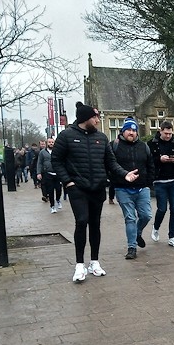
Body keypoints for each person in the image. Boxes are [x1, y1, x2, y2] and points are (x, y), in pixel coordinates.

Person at [51, 101, 139, 283]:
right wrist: (68, 182)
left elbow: (111, 162)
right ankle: (79, 265)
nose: (98, 120)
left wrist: (125, 175)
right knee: (81, 221)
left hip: (97, 188)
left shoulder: (101, 138)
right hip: (77, 189)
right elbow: (56, 161)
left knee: (95, 224)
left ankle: (94, 262)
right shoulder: (66, 136)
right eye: (95, 117)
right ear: (85, 118)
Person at [111, 117, 154, 260]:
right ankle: (132, 247)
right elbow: (110, 165)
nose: (131, 132)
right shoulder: (114, 146)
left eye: (134, 130)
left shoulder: (144, 147)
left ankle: (138, 232)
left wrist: (148, 182)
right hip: (123, 189)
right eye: (128, 130)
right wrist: (114, 180)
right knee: (130, 218)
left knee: (146, 215)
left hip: (142, 188)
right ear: (123, 131)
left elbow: (150, 165)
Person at [148, 120, 174, 247]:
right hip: (160, 181)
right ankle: (156, 226)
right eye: (166, 133)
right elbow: (148, 161)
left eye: (170, 133)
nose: (168, 136)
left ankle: (172, 236)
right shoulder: (152, 144)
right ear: (160, 131)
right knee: (162, 208)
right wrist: (159, 159)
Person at [36, 138, 62, 213]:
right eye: (49, 142)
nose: (51, 143)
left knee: (59, 189)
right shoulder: (42, 152)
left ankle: (58, 200)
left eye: (52, 142)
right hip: (48, 174)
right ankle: (52, 206)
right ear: (47, 143)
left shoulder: (58, 151)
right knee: (50, 191)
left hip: (57, 174)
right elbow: (39, 163)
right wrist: (39, 173)